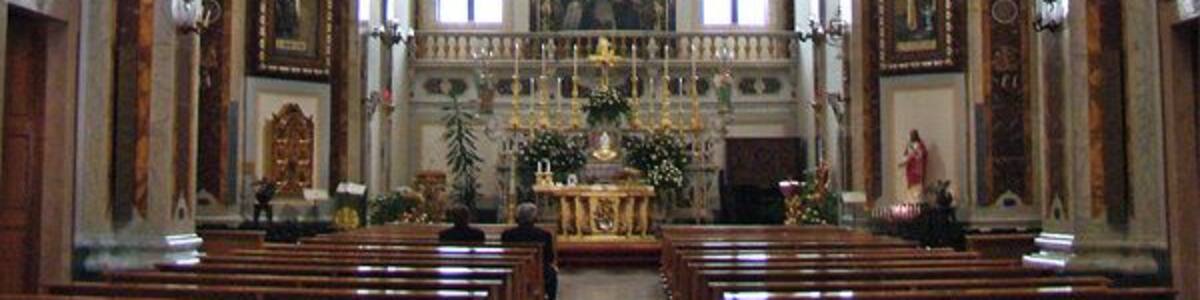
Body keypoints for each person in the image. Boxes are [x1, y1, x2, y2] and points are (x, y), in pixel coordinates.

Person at [501, 203, 558, 300]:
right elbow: (550, 257)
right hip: (538, 270)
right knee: (552, 273)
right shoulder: (544, 235)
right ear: (535, 218)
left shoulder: (507, 235)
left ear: (517, 217)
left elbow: (504, 255)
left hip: (513, 270)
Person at [899, 129, 928, 202]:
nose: (911, 137)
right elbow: (905, 155)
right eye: (910, 135)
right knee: (909, 186)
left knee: (917, 187)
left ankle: (917, 201)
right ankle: (909, 201)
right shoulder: (909, 145)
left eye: (912, 135)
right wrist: (903, 161)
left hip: (917, 169)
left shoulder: (920, 145)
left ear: (916, 136)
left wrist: (912, 156)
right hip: (910, 168)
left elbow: (921, 155)